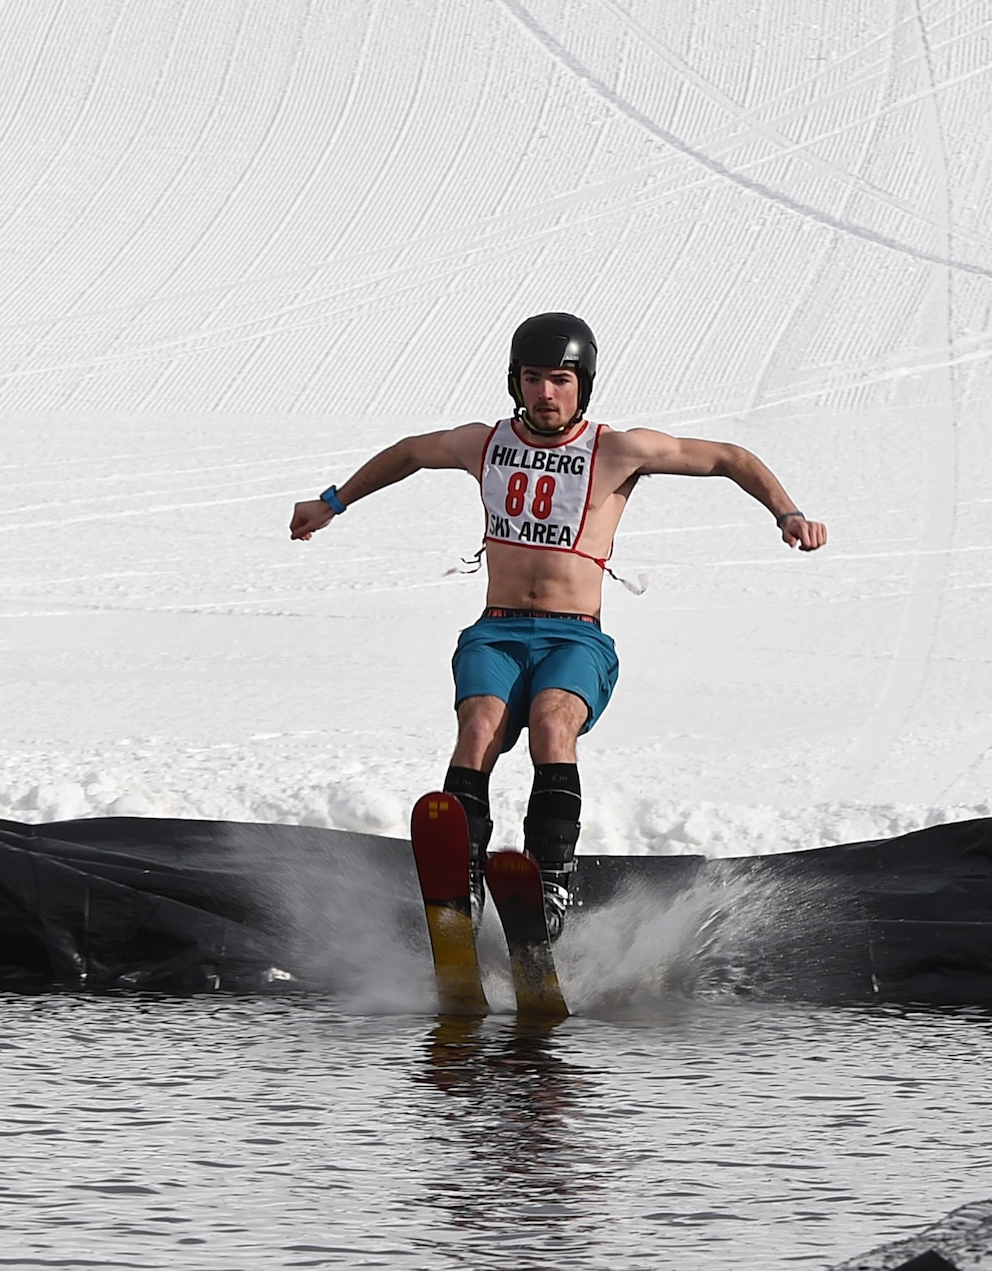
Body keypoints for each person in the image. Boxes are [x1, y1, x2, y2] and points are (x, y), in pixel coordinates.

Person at [288, 313, 827, 938]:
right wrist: (331, 503)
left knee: (551, 725)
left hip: (574, 636)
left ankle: (548, 882)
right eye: (533, 379)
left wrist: (787, 513)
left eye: (560, 380)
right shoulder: (483, 444)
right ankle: (459, 883)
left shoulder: (616, 450)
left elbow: (731, 458)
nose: (545, 393)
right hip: (496, 631)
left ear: (583, 385)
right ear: (515, 382)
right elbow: (410, 452)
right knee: (478, 728)